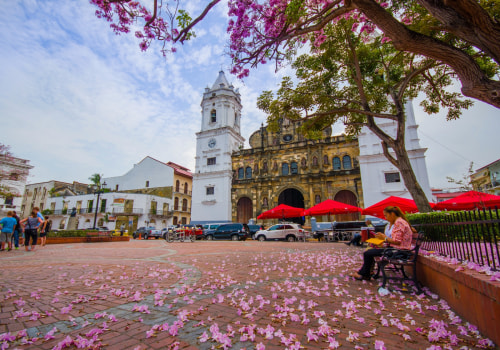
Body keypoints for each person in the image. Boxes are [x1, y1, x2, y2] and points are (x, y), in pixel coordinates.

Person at [352, 206, 413, 280]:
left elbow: (397, 241)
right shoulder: (400, 221)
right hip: (398, 250)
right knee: (369, 251)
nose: (386, 218)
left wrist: (384, 237)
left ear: (392, 214)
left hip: (399, 251)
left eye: (386, 215)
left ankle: (364, 274)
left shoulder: (399, 223)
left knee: (368, 253)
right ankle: (365, 273)